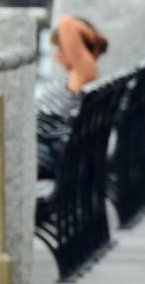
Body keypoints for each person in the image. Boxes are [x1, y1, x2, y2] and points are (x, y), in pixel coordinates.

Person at [36, 14, 108, 179]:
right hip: (42, 146)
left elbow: (65, 22)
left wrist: (93, 40)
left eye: (62, 49)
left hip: (44, 155)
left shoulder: (83, 76)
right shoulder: (76, 77)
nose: (57, 56)